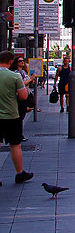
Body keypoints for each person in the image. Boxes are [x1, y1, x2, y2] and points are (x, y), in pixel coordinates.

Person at [0, 51, 34, 185]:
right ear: (10, 62)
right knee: (15, 145)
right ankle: (19, 173)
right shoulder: (14, 77)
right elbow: (23, 97)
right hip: (11, 115)